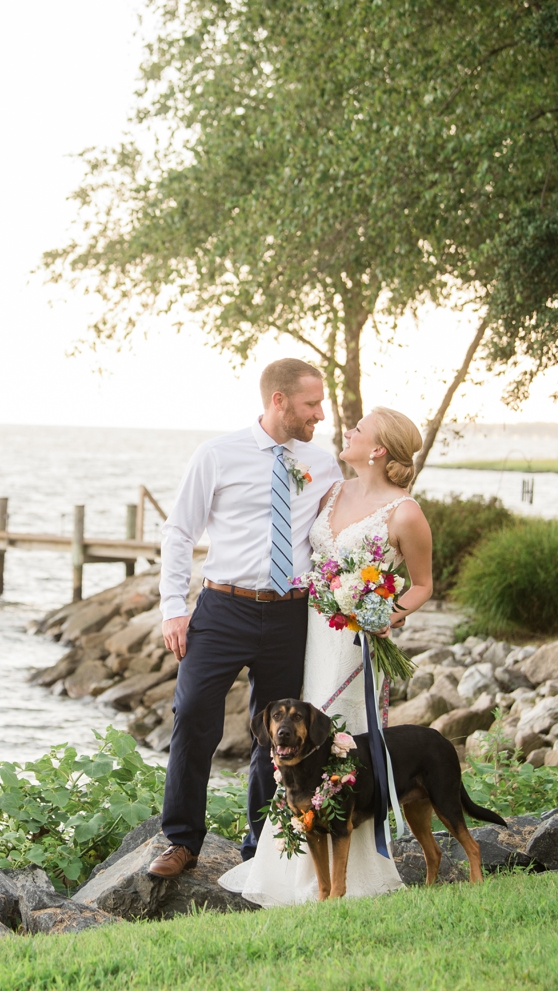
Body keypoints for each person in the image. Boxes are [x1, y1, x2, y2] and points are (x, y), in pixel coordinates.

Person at [218, 405, 435, 904]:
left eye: (359, 429)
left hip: (356, 647)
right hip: (313, 635)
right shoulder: (334, 489)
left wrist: (383, 615)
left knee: (343, 741)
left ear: (378, 449)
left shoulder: (405, 511)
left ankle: (349, 877)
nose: (349, 431)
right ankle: (288, 865)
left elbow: (422, 585)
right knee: (302, 735)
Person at [150, 358, 340, 878]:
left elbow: (335, 538)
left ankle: (261, 846)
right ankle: (183, 840)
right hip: (223, 607)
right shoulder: (217, 454)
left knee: (275, 734)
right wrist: (173, 609)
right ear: (278, 401)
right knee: (191, 716)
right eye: (311, 404)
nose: (319, 414)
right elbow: (180, 532)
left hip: (290, 614)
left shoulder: (323, 465)